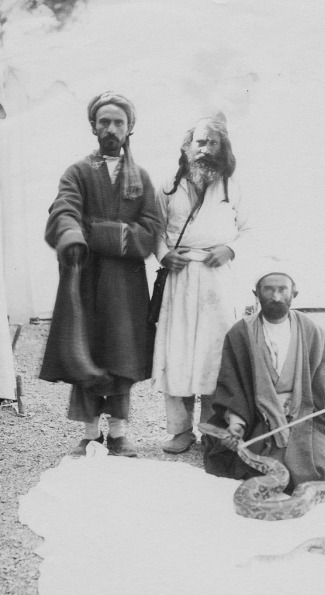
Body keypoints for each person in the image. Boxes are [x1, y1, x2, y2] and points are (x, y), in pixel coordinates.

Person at [41, 91, 161, 457]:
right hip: (87, 279)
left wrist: (100, 233)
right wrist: (74, 236)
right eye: (104, 122)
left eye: (119, 122)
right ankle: (91, 433)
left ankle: (120, 433)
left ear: (129, 129)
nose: (111, 129)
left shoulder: (140, 177)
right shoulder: (78, 172)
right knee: (87, 349)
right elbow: (64, 210)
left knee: (122, 353)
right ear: (93, 126)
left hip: (125, 282)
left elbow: (151, 226)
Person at [203, 270, 325, 488]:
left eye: (282, 290)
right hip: (257, 414)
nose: (276, 297)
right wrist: (236, 422)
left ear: (294, 293)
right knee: (258, 464)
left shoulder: (310, 328)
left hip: (304, 412)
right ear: (255, 293)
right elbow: (232, 384)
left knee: (324, 465)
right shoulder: (240, 332)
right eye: (268, 290)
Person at [152, 111, 253, 454]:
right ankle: (180, 431)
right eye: (199, 141)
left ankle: (213, 429)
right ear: (187, 145)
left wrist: (231, 248)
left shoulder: (234, 185)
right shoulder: (168, 184)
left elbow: (254, 228)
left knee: (216, 355)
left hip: (217, 280)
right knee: (178, 353)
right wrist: (163, 253)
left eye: (212, 142)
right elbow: (154, 228)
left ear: (222, 146)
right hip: (180, 278)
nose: (205, 149)